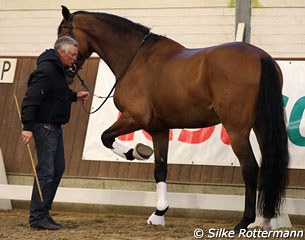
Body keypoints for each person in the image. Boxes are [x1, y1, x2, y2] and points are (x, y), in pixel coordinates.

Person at [21, 36, 89, 230]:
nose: (75, 59)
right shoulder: (46, 70)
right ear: (62, 52)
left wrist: (75, 96)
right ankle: (37, 217)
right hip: (44, 127)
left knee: (57, 168)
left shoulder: (57, 71)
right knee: (46, 171)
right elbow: (30, 99)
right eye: (74, 55)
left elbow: (57, 94)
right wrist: (27, 126)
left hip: (54, 127)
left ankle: (44, 212)